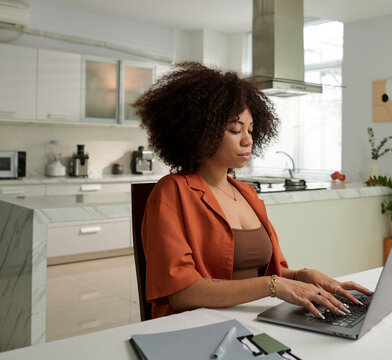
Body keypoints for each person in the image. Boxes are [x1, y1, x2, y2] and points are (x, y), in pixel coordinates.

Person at [133, 62, 372, 320]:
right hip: (199, 326)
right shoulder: (172, 192)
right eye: (235, 130)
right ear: (200, 131)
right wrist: (274, 286)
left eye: (251, 129)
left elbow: (273, 275)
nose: (248, 140)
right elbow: (181, 293)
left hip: (255, 318)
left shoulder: (247, 193)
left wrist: (302, 276)